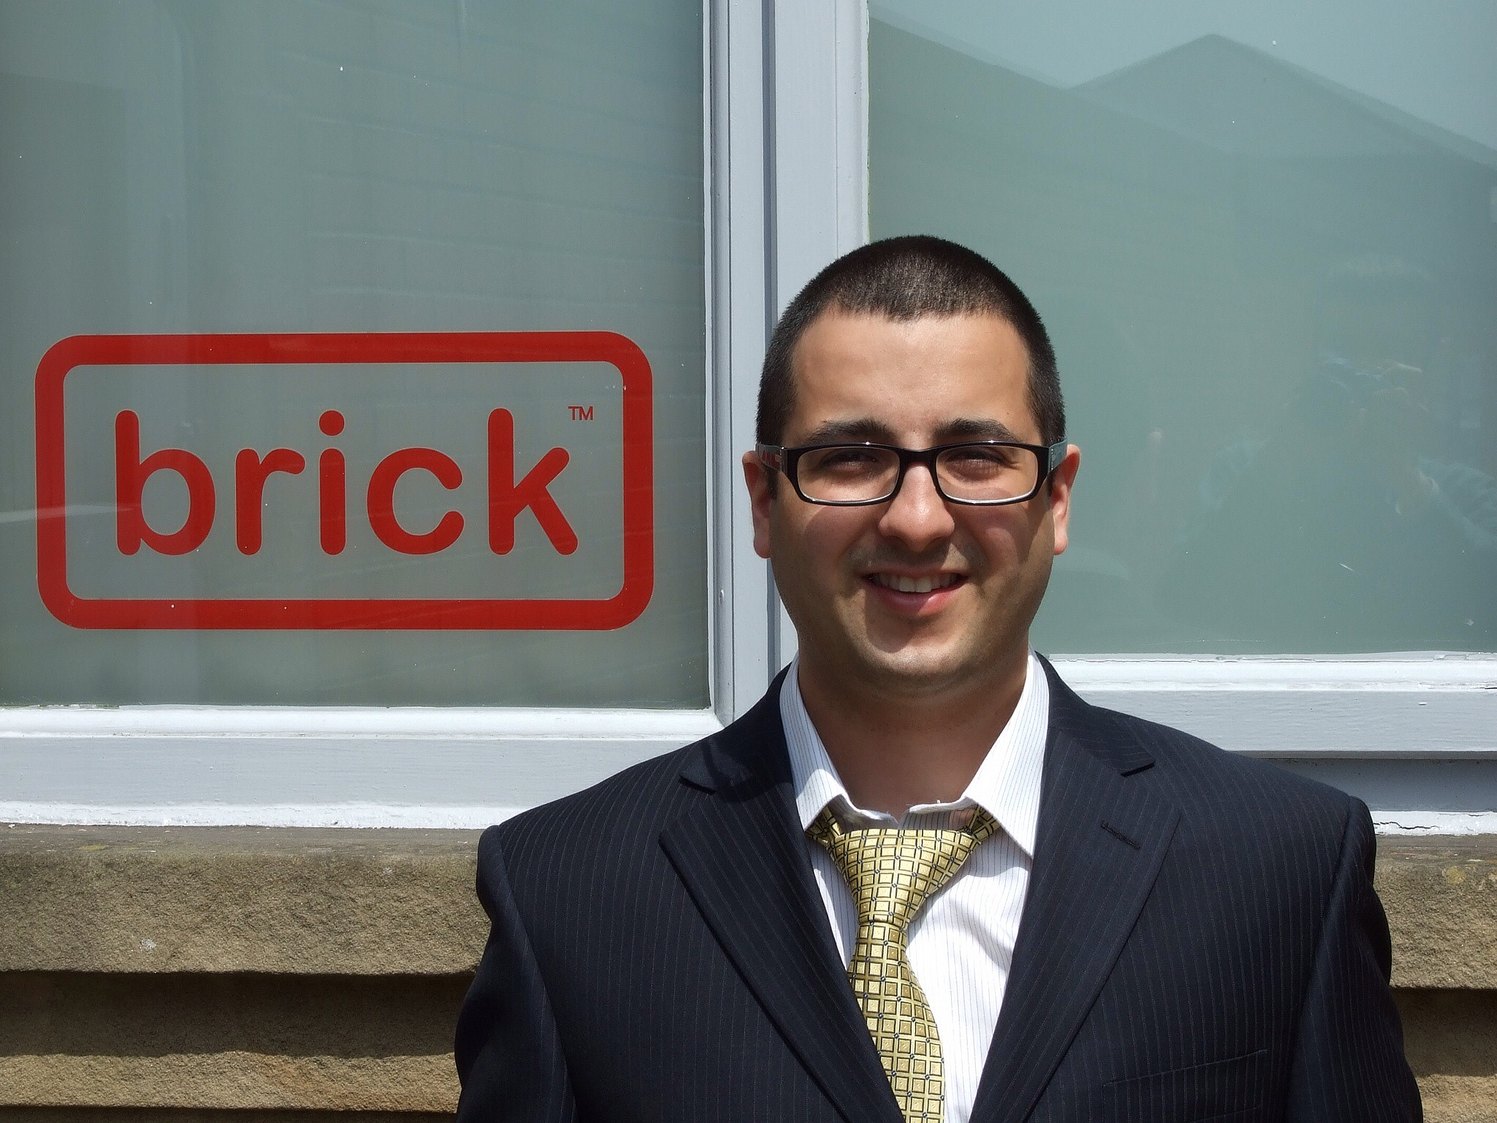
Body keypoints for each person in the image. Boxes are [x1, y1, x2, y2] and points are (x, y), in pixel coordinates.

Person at [454, 236, 1421, 1121]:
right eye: (850, 457)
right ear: (763, 501)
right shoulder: (568, 894)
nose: (916, 518)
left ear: (1056, 498)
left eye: (975, 456)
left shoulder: (1276, 869)